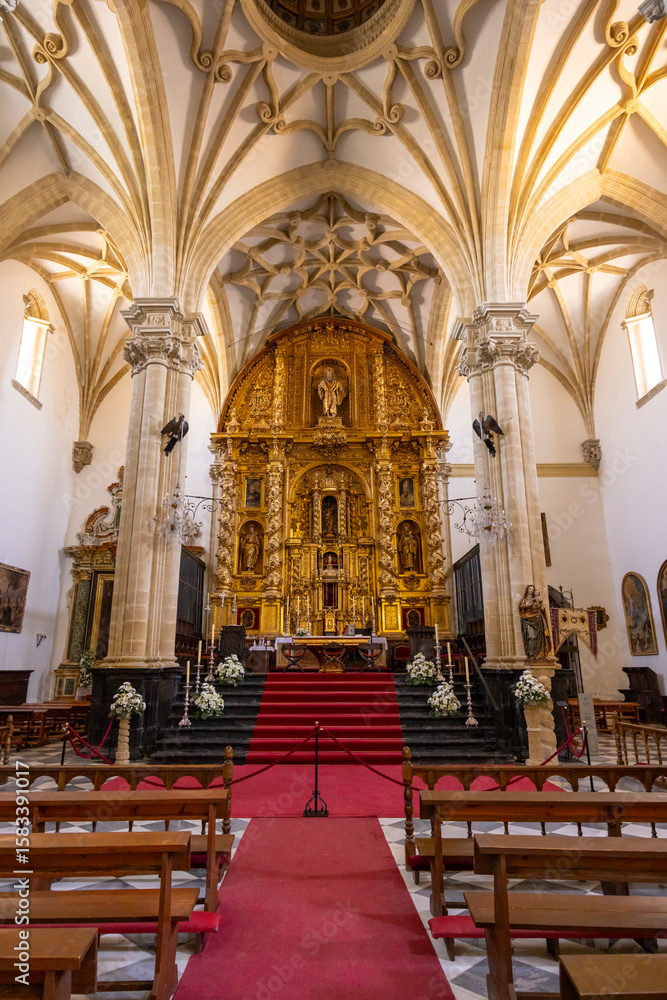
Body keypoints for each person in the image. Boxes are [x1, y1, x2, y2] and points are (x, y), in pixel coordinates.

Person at [519, 584, 552, 660]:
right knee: (531, 637)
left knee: (540, 637)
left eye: (532, 589)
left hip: (538, 619)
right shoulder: (524, 600)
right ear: (527, 590)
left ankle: (540, 654)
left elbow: (542, 609)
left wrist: (541, 608)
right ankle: (531, 654)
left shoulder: (537, 599)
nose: (531, 591)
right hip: (528, 619)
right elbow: (521, 608)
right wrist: (527, 605)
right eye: (530, 589)